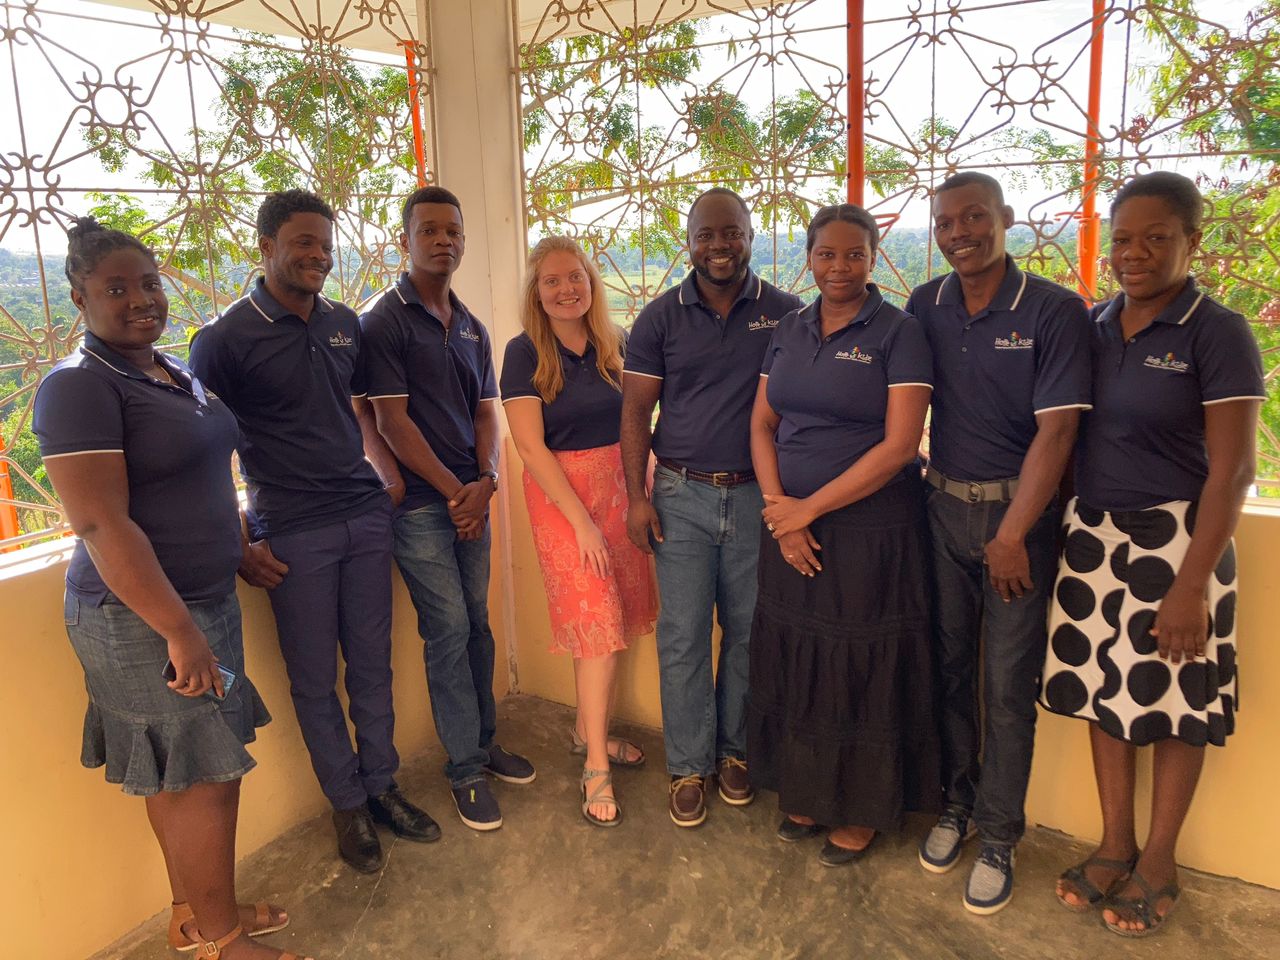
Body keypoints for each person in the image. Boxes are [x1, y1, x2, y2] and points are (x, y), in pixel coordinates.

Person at [33, 218, 310, 960]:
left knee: (182, 772)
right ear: (80, 298)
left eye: (149, 283)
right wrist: (178, 631)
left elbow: (201, 476)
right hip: (142, 619)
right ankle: (223, 940)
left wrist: (238, 547)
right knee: (205, 780)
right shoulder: (78, 387)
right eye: (115, 289)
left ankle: (196, 913)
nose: (140, 300)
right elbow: (100, 523)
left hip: (201, 602)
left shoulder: (166, 371)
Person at [189, 190, 437, 875]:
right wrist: (239, 538)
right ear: (266, 246)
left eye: (326, 245)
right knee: (313, 680)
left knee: (374, 666)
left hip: (363, 517)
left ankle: (382, 787)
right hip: (293, 531)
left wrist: (385, 478)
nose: (319, 257)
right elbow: (205, 452)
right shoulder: (222, 340)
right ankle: (347, 805)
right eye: (304, 243)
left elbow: (360, 411)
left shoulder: (342, 324)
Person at [1042, 171, 1263, 936]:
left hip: (1177, 548)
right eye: (1123, 240)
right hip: (1092, 538)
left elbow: (1234, 471)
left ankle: (1160, 862)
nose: (1134, 254)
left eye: (1156, 238)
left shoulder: (1216, 332)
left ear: (1192, 241)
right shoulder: (1095, 325)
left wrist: (1191, 587)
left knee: (1174, 705)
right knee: (1104, 693)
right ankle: (1116, 845)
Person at [906, 172, 1092, 914]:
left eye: (975, 217)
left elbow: (1060, 429)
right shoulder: (927, 304)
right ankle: (956, 804)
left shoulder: (1052, 309)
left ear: (1005, 218)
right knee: (949, 672)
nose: (960, 233)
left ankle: (999, 836)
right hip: (941, 510)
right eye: (946, 223)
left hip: (1018, 525)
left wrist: (1013, 533)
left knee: (1008, 690)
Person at [747, 203, 940, 865]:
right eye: (826, 254)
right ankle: (806, 793)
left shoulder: (899, 333)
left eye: (854, 254)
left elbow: (899, 447)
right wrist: (780, 510)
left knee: (859, 668)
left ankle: (861, 810)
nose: (839, 267)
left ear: (872, 258)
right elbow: (762, 424)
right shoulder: (790, 328)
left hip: (871, 533)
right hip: (789, 525)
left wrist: (807, 511)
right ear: (809, 257)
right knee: (800, 659)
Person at [621, 188, 803, 827]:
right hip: (680, 497)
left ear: (751, 235)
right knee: (684, 636)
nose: (719, 246)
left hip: (758, 499)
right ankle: (687, 766)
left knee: (750, 634)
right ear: (689, 241)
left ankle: (735, 754)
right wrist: (636, 498)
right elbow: (636, 412)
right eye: (706, 235)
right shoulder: (659, 319)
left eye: (731, 233)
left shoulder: (786, 314)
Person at [360, 186, 535, 832]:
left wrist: (486, 479)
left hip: (471, 502)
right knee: (449, 631)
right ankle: (463, 770)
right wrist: (455, 490)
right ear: (404, 240)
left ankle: (484, 744)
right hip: (420, 510)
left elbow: (487, 413)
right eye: (429, 230)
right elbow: (391, 422)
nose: (443, 241)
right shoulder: (383, 321)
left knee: (479, 626)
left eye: (452, 231)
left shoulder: (470, 326)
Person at [500, 236, 657, 827]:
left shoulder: (616, 344)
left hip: (621, 489)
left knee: (609, 626)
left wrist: (643, 490)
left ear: (591, 283)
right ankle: (595, 766)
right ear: (536, 292)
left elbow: (639, 420)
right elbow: (530, 447)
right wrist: (583, 524)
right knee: (596, 628)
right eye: (552, 281)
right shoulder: (522, 353)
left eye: (576, 277)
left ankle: (584, 731)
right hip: (563, 500)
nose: (566, 289)